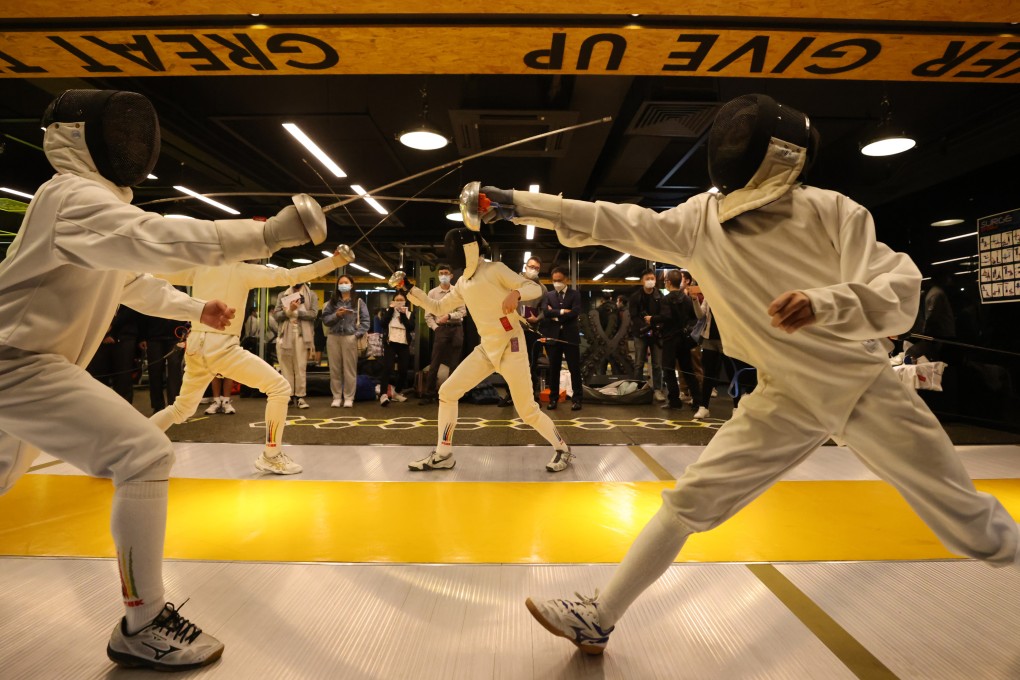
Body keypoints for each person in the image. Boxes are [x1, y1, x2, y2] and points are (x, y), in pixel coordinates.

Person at [481, 92, 1019, 654]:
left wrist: (825, 302)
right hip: (782, 395)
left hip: (860, 384)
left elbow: (897, 289)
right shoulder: (700, 222)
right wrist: (517, 203)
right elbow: (616, 220)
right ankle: (600, 617)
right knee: (688, 502)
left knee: (968, 521)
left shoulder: (833, 210)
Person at [0, 88, 323, 671]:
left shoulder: (84, 205)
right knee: (144, 455)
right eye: (121, 131)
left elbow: (130, 280)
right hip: (15, 363)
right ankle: (142, 621)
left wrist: (196, 310)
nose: (132, 143)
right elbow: (154, 236)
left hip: (25, 363)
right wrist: (266, 234)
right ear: (82, 137)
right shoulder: (73, 196)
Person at [151, 248, 352, 473]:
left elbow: (159, 271)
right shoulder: (243, 270)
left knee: (181, 409)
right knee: (279, 388)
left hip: (196, 345)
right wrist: (335, 261)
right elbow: (292, 275)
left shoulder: (200, 268)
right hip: (221, 346)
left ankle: (133, 443)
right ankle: (272, 455)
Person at [392, 228, 575, 472]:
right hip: (487, 349)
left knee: (527, 411)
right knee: (447, 392)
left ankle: (562, 447)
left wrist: (516, 293)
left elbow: (535, 289)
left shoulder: (494, 269)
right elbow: (437, 306)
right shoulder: (463, 283)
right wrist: (408, 290)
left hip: (512, 346)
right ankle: (443, 453)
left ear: (467, 250)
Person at [497, 255, 545, 407]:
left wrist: (537, 318)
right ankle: (511, 395)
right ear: (525, 267)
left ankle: (531, 396)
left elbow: (544, 310)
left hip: (531, 332)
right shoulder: (513, 283)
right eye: (531, 267)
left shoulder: (542, 289)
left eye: (536, 268)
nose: (533, 270)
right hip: (512, 332)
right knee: (510, 364)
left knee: (531, 365)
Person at [418, 263, 466, 405]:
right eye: (441, 273)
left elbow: (463, 312)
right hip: (441, 330)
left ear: (451, 276)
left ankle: (452, 394)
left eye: (446, 273)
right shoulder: (432, 293)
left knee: (455, 363)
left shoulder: (457, 292)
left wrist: (449, 316)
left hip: (456, 328)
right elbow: (428, 315)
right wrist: (436, 328)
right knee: (435, 362)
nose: (443, 275)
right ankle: (429, 393)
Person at [658, 269, 704, 414]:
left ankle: (674, 401)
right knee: (688, 370)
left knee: (669, 369)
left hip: (670, 339)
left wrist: (652, 319)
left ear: (669, 282)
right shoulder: (687, 299)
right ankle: (697, 401)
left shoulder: (665, 300)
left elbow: (665, 318)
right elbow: (694, 318)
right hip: (684, 339)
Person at [322, 273, 370, 408]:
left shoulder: (359, 302)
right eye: (341, 283)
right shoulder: (332, 302)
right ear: (337, 286)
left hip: (350, 337)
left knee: (350, 369)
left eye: (346, 282)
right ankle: (336, 397)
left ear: (351, 285)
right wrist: (337, 315)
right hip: (333, 337)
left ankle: (349, 397)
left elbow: (366, 322)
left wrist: (356, 335)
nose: (343, 285)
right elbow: (325, 320)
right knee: (335, 369)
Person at [542, 266, 583, 411]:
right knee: (553, 368)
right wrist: (562, 311)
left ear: (566, 279)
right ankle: (553, 398)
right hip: (553, 336)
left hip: (570, 336)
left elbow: (575, 312)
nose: (557, 283)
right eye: (554, 280)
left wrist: (555, 315)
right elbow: (545, 313)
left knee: (574, 368)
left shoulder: (575, 294)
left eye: (559, 280)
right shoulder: (549, 295)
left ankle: (577, 399)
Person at [273, 279, 319, 409]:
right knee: (285, 366)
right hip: (284, 335)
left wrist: (297, 312)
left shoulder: (312, 295)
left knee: (300, 366)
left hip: (302, 336)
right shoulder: (283, 294)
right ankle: (288, 395)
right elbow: (276, 316)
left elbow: (314, 314)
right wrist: (288, 312)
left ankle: (300, 396)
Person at [629, 269, 665, 401]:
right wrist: (645, 328)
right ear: (642, 281)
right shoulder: (635, 297)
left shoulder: (660, 296)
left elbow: (663, 314)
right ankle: (637, 389)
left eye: (652, 278)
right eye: (647, 278)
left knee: (657, 364)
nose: (650, 281)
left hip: (657, 334)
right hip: (640, 334)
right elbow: (633, 315)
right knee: (638, 363)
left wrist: (653, 324)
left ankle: (658, 390)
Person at [139, 312, 186, 414]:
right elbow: (144, 313)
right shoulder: (150, 296)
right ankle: (157, 405)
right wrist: (142, 337)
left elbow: (184, 309)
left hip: (175, 337)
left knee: (175, 371)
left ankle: (174, 405)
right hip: (153, 337)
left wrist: (184, 332)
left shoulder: (180, 294)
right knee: (155, 371)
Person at [378, 292, 415, 405]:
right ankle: (383, 394)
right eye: (397, 300)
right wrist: (390, 310)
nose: (399, 302)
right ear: (393, 301)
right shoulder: (388, 311)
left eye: (401, 300)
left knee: (403, 369)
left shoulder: (410, 313)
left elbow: (410, 327)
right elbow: (383, 324)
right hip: (390, 343)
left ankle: (397, 392)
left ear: (405, 301)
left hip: (403, 343)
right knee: (387, 367)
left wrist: (403, 314)